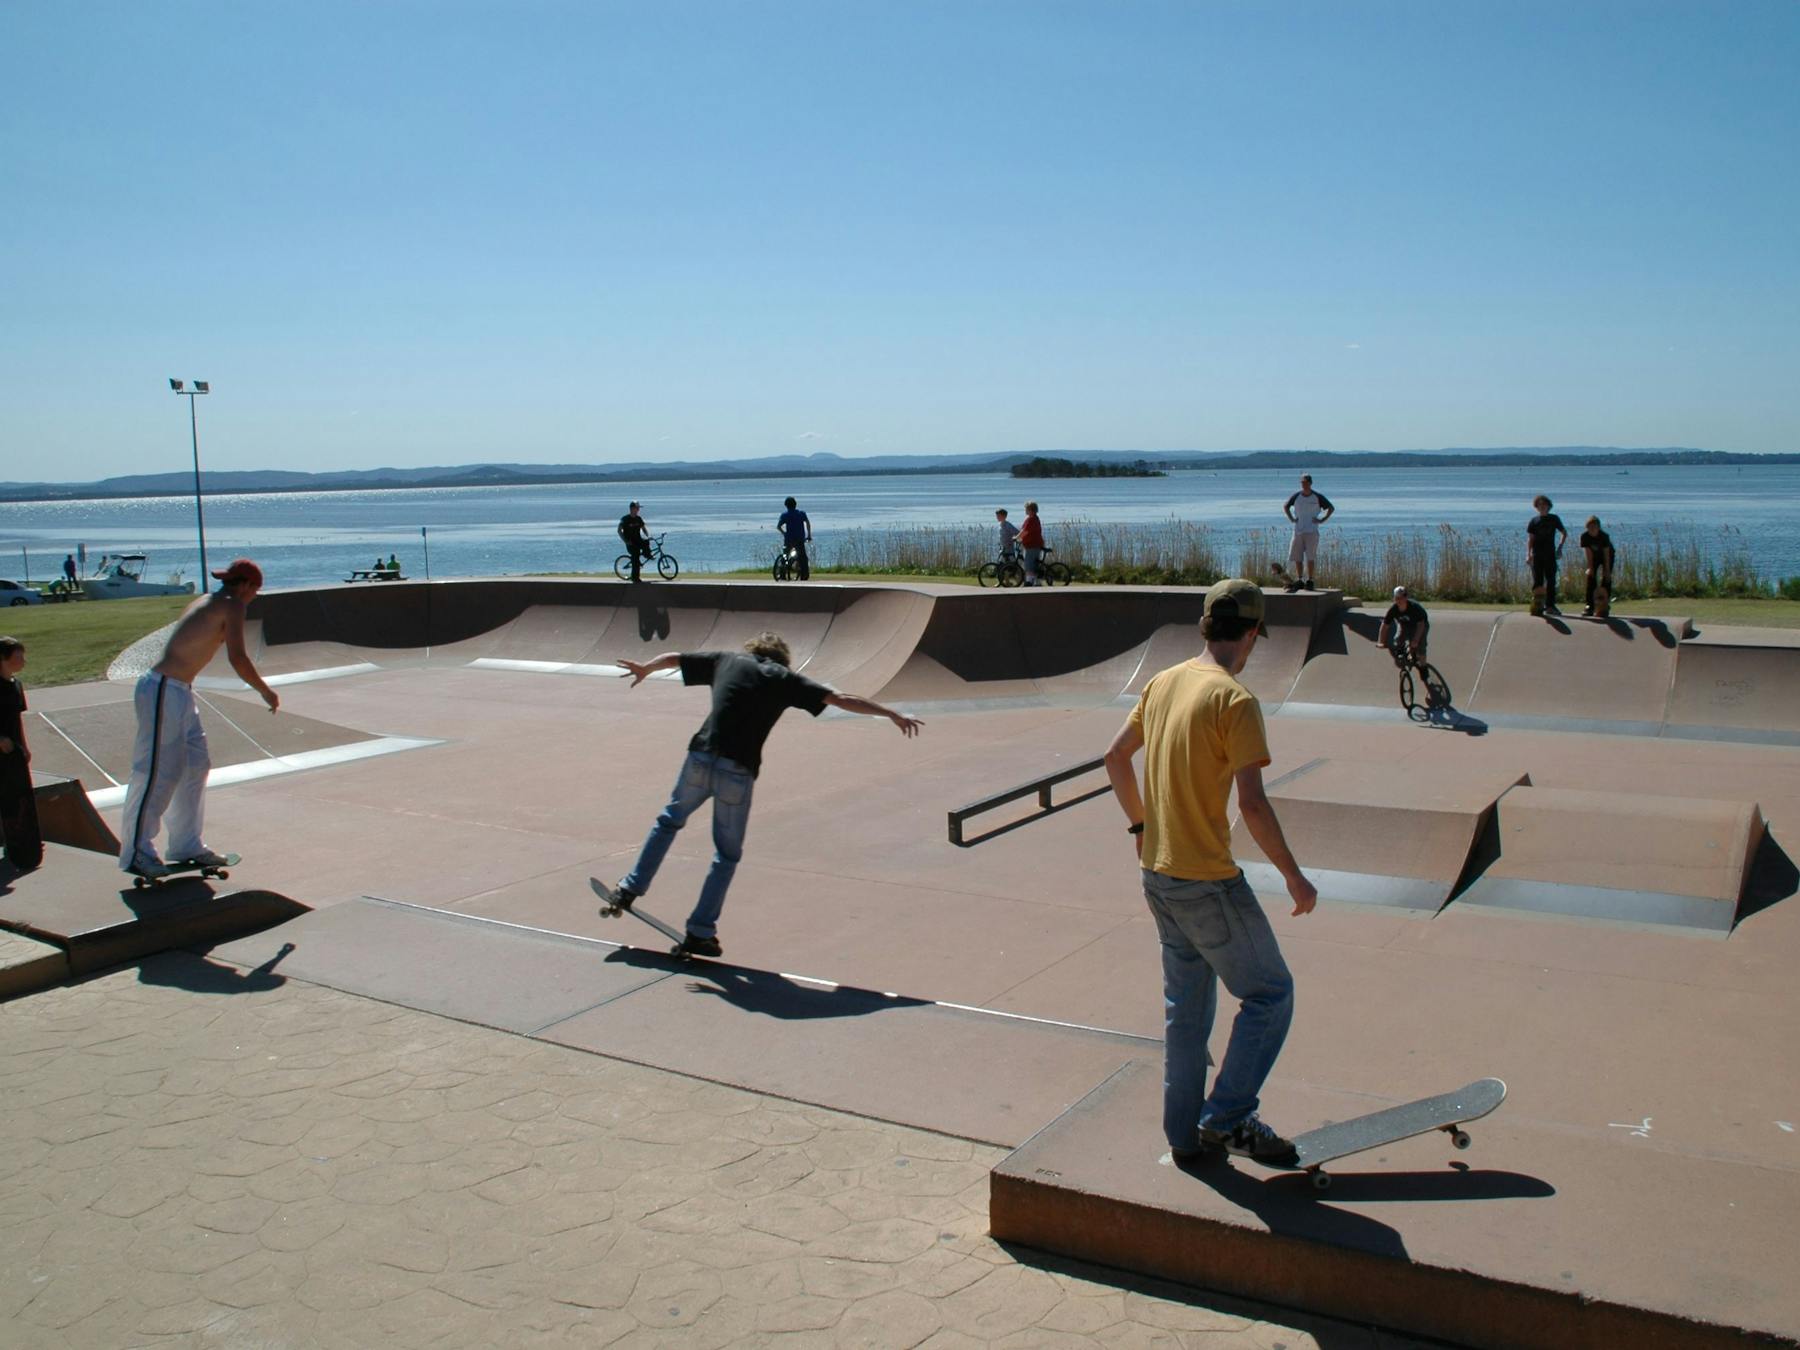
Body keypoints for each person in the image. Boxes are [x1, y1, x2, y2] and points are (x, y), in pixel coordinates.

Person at [1102, 578, 1317, 1167]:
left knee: (1187, 1013)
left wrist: (1141, 827)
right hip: (1207, 882)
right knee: (1271, 995)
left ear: (1205, 625)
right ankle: (1227, 1117)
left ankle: (1185, 1137)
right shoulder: (1234, 700)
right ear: (1250, 634)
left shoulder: (1164, 681)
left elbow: (1115, 757)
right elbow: (1252, 803)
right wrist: (1296, 878)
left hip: (1159, 875)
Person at [602, 632, 923, 957]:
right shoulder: (785, 679)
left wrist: (646, 668)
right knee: (725, 855)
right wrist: (892, 714)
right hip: (736, 771)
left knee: (669, 821)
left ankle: (628, 890)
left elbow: (674, 658)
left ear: (753, 650)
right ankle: (700, 931)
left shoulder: (725, 659)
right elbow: (840, 698)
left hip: (699, 758)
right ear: (782, 659)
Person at [117, 559, 278, 878]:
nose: (254, 597)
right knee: (156, 770)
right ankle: (136, 851)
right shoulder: (231, 605)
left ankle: (186, 844)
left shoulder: (209, 600)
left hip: (177, 691)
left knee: (195, 764)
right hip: (163, 689)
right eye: (255, 591)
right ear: (245, 585)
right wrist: (265, 691)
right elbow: (238, 657)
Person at [0, 636, 42, 872]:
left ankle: (22, 847)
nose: (23, 661)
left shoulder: (16, 685)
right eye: (18, 656)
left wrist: (24, 746)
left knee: (18, 799)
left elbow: (17, 719)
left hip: (13, 753)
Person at [1281, 474, 1334, 592]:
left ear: (1310, 483)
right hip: (1298, 531)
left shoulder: (1317, 497)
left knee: (1310, 557)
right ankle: (1300, 579)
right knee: (1297, 556)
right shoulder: (1296, 496)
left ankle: (1310, 580)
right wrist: (1292, 519)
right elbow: (1286, 506)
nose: (1304, 485)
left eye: (1306, 482)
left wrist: (1322, 520)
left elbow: (1331, 508)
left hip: (1312, 531)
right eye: (1302, 483)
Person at [1527, 495, 1568, 617]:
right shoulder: (1534, 521)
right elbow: (1530, 539)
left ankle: (1550, 605)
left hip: (1550, 554)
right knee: (1537, 581)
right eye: (1539, 505)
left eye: (1544, 504)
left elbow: (1564, 533)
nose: (1542, 507)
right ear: (1536, 507)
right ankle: (1537, 605)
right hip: (1537, 554)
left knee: (1551, 580)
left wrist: (1560, 547)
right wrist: (1528, 555)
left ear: (1549, 506)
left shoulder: (1554, 519)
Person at [1378, 586, 1430, 662]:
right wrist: (1381, 641)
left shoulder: (1414, 607)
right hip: (1404, 624)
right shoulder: (1393, 609)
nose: (1399, 600)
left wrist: (1416, 639)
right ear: (1394, 599)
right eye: (1397, 598)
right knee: (1398, 640)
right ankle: (1403, 653)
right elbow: (1385, 625)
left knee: (1420, 646)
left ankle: (1423, 667)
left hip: (1420, 624)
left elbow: (1421, 625)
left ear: (1406, 597)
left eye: (1402, 597)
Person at [1579, 516, 1615, 617]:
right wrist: (1590, 567)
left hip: (1607, 556)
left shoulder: (1604, 536)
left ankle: (1604, 603)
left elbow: (1606, 553)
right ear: (1587, 527)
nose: (1592, 529)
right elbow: (1588, 552)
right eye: (1590, 527)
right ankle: (1589, 605)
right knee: (1591, 577)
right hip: (1594, 556)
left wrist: (1607, 570)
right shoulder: (1584, 536)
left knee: (1606, 579)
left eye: (1595, 527)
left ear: (1599, 527)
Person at [776, 497, 813, 581]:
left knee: (785, 555)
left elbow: (778, 527)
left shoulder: (784, 515)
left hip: (788, 538)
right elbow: (807, 523)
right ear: (795, 504)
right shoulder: (801, 513)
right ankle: (804, 575)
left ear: (786, 505)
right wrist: (809, 535)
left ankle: (782, 574)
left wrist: (784, 533)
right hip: (799, 538)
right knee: (803, 557)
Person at [618, 502, 651, 583]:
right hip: (630, 543)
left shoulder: (639, 518)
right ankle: (635, 578)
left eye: (638, 508)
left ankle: (647, 554)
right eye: (637, 508)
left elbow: (644, 528)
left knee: (646, 542)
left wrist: (648, 535)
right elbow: (619, 530)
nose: (638, 510)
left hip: (638, 540)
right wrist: (625, 541)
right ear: (632, 509)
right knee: (635, 558)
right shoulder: (625, 519)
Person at [1017, 501, 1046, 586]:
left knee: (1028, 564)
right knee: (1034, 564)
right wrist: (1020, 537)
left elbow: (1025, 531)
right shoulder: (1034, 518)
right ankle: (1036, 582)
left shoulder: (1031, 519)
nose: (1025, 510)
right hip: (1034, 544)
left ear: (1030, 509)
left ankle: (1029, 582)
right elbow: (1024, 531)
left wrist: (1016, 537)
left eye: (1026, 509)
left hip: (1032, 545)